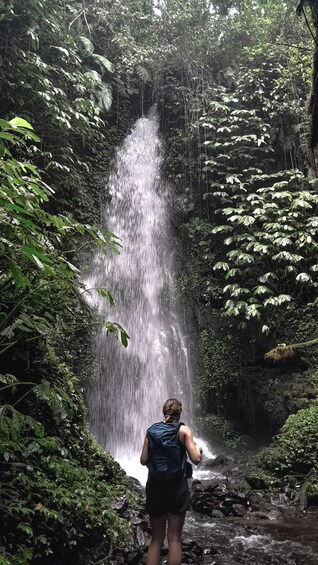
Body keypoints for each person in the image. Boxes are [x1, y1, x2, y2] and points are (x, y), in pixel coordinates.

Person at [140, 398, 202, 565]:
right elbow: (195, 458)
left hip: (154, 487)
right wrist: (199, 450)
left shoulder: (151, 430)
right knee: (174, 539)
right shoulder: (183, 430)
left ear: (163, 411)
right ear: (179, 412)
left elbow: (143, 460)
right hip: (176, 488)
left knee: (156, 538)